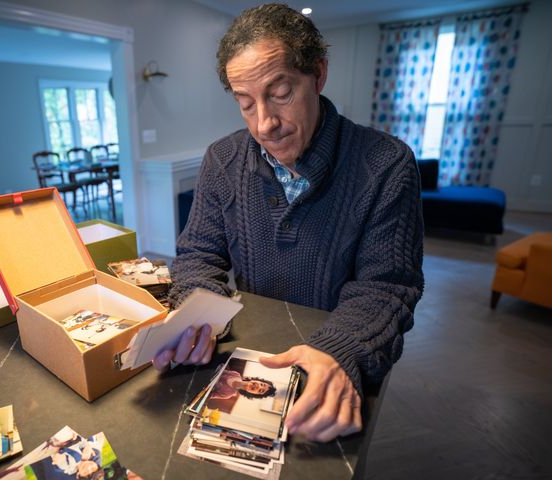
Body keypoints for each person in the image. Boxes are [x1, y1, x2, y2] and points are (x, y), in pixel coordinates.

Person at [154, 3, 424, 443]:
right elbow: (198, 254)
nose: (265, 124)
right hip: (248, 359)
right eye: (245, 104)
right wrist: (197, 313)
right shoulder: (221, 160)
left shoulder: (387, 165)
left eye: (280, 93)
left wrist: (342, 349)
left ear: (318, 75)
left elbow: (388, 287)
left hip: (335, 361)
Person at [208, 369, 277, 400]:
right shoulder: (235, 374)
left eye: (260, 390)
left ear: (253, 394)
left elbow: (206, 395)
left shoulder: (227, 394)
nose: (258, 386)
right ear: (257, 380)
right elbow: (217, 369)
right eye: (262, 384)